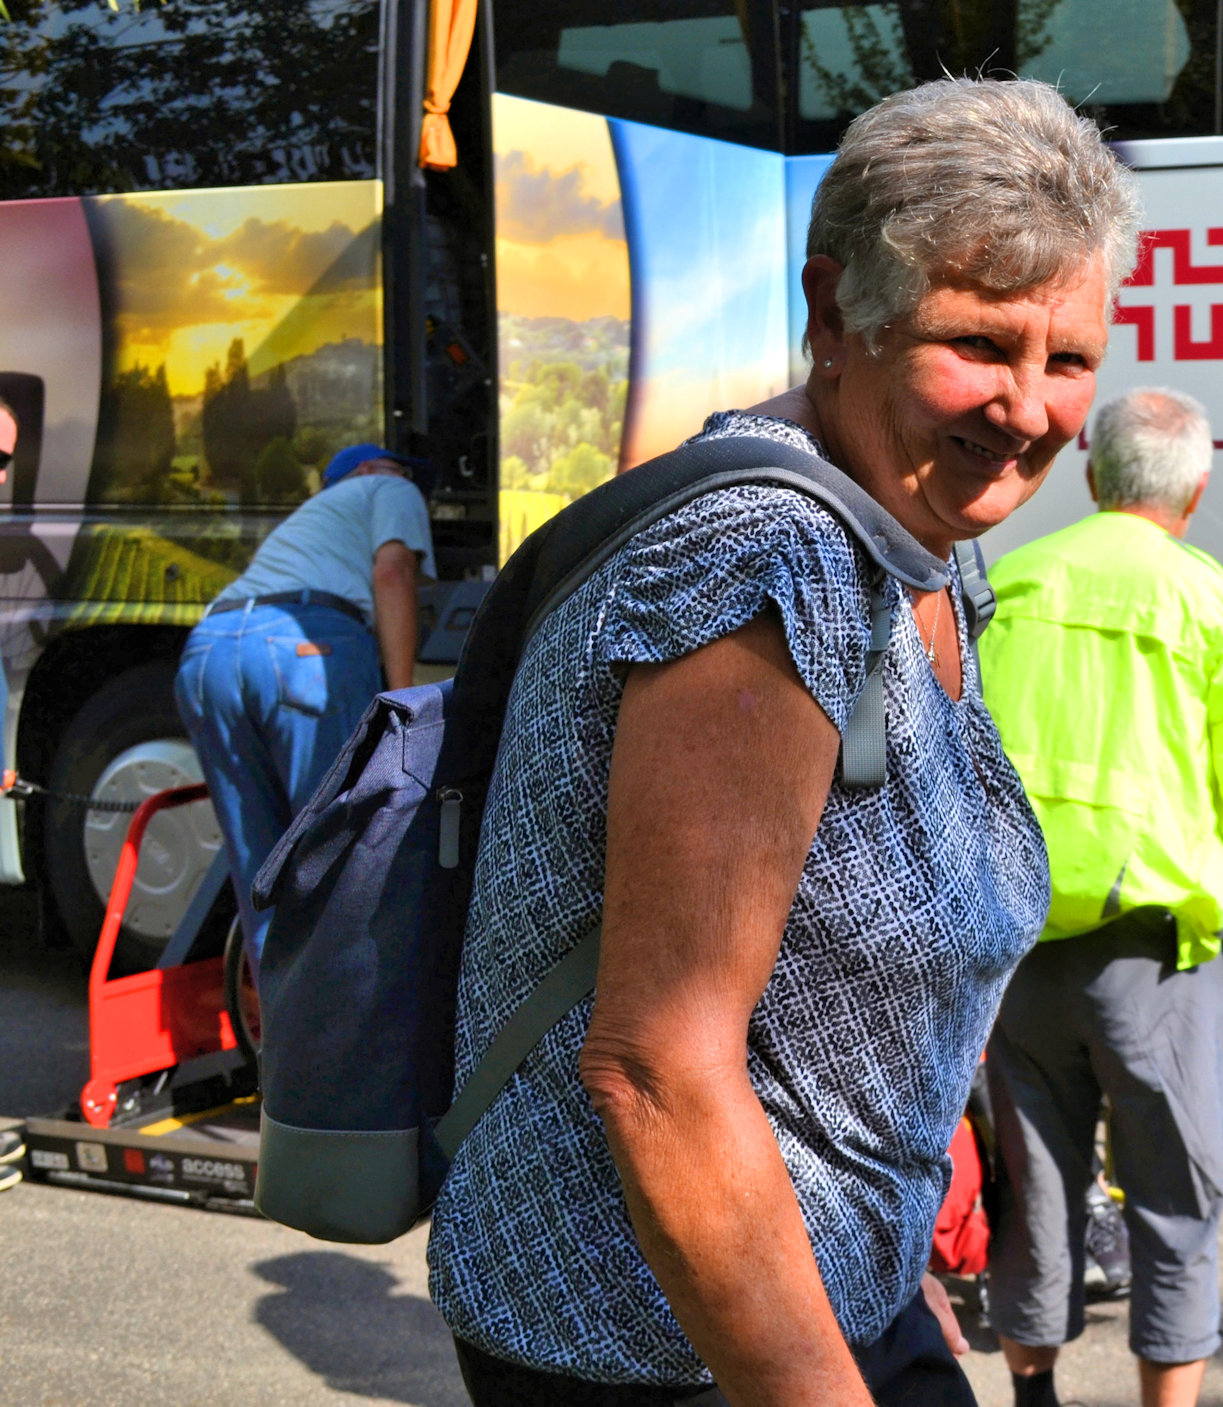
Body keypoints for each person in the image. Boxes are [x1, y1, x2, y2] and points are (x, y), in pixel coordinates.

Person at [424, 78, 1138, 1406]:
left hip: (817, 1291)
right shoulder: (768, 561)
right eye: (979, 344)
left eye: (1071, 360)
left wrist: (888, 1236)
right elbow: (658, 1067)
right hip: (650, 1338)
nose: (1030, 408)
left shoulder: (921, 542)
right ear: (834, 315)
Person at [977, 387, 1223, 1407]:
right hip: (1157, 969)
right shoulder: (1218, 606)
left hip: (1017, 958)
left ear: (1091, 476)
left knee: (1034, 1194)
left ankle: (1033, 1397)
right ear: (1196, 491)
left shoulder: (1012, 584)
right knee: (1175, 1205)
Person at [176, 443, 431, 964]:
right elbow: (393, 571)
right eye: (404, 469)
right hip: (303, 648)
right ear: (367, 470)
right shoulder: (387, 487)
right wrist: (405, 701)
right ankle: (343, 1012)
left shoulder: (306, 523)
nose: (413, 484)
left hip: (207, 654)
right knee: (338, 861)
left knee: (260, 872)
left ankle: (276, 1014)